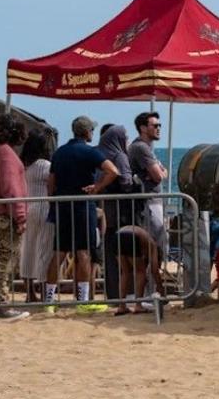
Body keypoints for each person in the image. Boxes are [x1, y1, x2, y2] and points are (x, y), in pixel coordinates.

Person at [46, 115, 119, 308]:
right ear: (87, 132)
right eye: (92, 130)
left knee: (59, 253)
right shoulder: (89, 152)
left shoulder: (60, 152)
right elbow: (113, 171)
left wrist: (53, 202)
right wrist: (97, 186)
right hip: (82, 206)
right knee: (83, 252)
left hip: (62, 204)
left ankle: (49, 300)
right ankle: (83, 301)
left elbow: (50, 182)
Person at [100, 124, 156, 314]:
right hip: (127, 217)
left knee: (120, 265)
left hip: (110, 217)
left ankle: (120, 302)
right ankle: (137, 303)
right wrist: (139, 180)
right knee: (137, 265)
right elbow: (126, 182)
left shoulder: (102, 156)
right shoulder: (121, 157)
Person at [128, 110, 168, 299]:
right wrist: (160, 171)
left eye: (159, 125)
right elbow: (159, 175)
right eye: (155, 125)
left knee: (153, 248)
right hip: (148, 204)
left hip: (151, 202)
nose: (159, 128)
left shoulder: (145, 148)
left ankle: (151, 291)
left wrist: (159, 171)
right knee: (152, 248)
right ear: (143, 128)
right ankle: (151, 292)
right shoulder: (141, 148)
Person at [0, 114, 31, 322]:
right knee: (3, 262)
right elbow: (12, 189)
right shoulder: (6, 153)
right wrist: (20, 217)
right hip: (4, 218)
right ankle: (1, 305)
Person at [18, 130, 54, 304]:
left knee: (28, 250)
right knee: (45, 249)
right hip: (45, 206)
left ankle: (29, 293)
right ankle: (45, 291)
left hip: (28, 207)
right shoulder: (47, 165)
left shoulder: (24, 165)